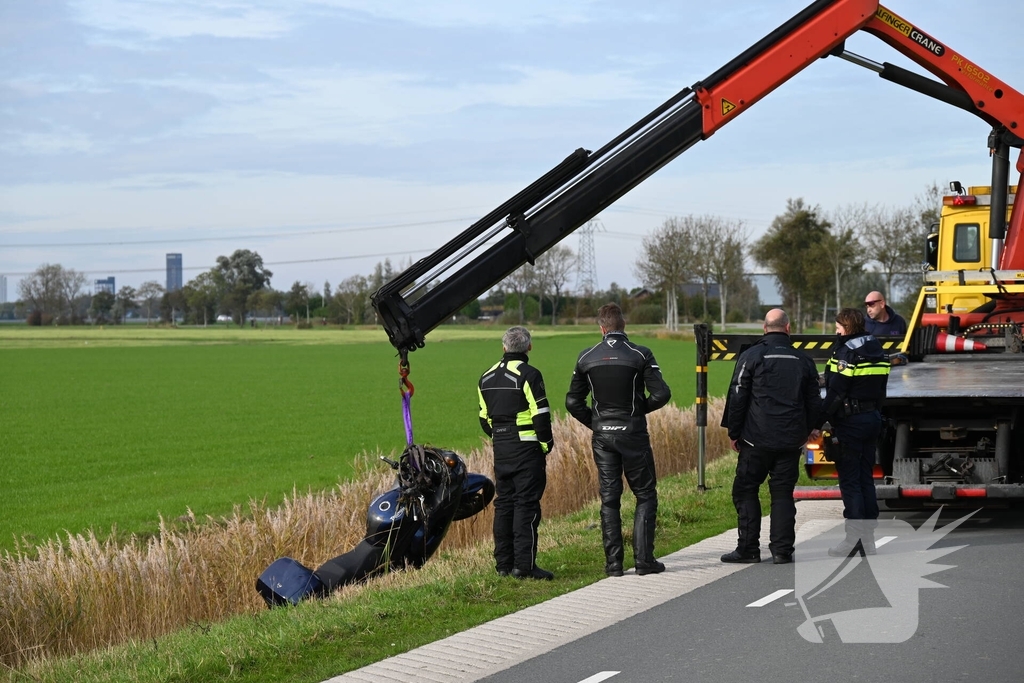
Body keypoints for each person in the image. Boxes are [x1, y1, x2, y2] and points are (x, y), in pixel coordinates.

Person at [565, 303, 672, 577]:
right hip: (633, 433)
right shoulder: (641, 354)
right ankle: (644, 561)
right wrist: (637, 412)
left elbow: (572, 401)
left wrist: (596, 423)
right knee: (645, 494)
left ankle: (613, 564)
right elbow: (661, 394)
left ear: (601, 328)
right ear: (623, 326)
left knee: (610, 498)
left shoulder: (586, 356)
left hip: (603, 437)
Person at [720, 309, 820, 565]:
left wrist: (734, 432)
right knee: (783, 494)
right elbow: (813, 401)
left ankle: (748, 549)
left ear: (764, 329)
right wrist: (810, 429)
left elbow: (737, 395)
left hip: (756, 439)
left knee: (745, 490)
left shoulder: (750, 356)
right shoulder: (804, 360)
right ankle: (782, 550)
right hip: (790, 441)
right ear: (788, 328)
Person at [478, 326, 555, 580]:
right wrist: (545, 444)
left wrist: (501, 438)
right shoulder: (530, 375)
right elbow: (540, 414)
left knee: (504, 505)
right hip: (527, 448)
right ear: (529, 347)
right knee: (526, 505)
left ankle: (503, 566)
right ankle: (524, 566)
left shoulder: (485, 376)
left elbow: (483, 419)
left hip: (501, 449)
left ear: (504, 347)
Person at [818, 307, 891, 557]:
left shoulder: (846, 352)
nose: (835, 330)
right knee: (865, 479)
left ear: (847, 327)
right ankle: (868, 540)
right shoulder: (878, 351)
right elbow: (881, 391)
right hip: (872, 420)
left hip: (850, 422)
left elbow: (836, 393)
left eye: (838, 326)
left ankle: (852, 540)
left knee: (850, 481)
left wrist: (818, 421)